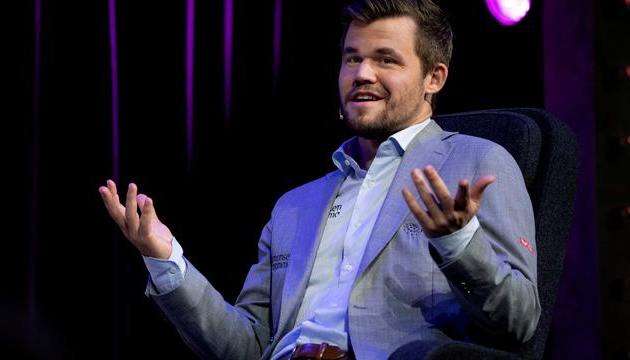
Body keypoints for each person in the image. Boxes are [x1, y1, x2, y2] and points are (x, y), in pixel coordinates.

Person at [99, 0, 540, 359]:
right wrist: (166, 259)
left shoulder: (477, 162)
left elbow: (520, 322)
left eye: (385, 59)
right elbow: (247, 346)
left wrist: (458, 243)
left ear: (433, 78)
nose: (361, 74)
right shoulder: (294, 206)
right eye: (353, 58)